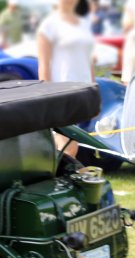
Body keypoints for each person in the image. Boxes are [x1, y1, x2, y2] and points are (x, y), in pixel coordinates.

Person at [38, 0, 94, 157]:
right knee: (68, 145)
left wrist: (94, 91)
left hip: (83, 92)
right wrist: (47, 94)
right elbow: (44, 64)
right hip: (61, 92)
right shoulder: (49, 25)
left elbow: (88, 60)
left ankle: (61, 177)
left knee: (70, 144)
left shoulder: (83, 23)